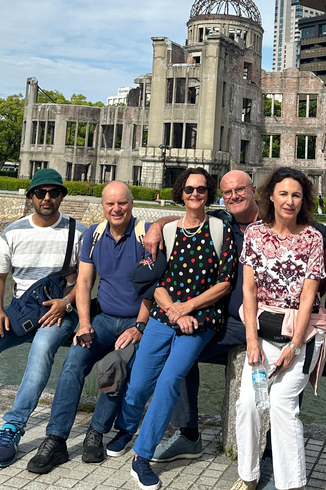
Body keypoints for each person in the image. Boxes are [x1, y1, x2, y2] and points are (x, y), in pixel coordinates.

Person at [0, 169, 87, 468]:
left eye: (54, 192)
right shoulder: (13, 232)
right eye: (40, 193)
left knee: (42, 350)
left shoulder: (79, 231)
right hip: (20, 311)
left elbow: (85, 280)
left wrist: (66, 302)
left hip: (60, 312)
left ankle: (13, 427)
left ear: (62, 196)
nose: (47, 198)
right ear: (31, 196)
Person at [107, 167, 235, 490]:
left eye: (202, 190)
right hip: (165, 316)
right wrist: (174, 311)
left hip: (201, 320)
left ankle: (142, 456)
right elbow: (156, 282)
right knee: (138, 385)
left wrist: (188, 309)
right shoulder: (167, 232)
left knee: (169, 381)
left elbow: (224, 284)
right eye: (189, 190)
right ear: (181, 193)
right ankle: (126, 426)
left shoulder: (220, 230)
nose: (195, 195)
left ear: (209, 194)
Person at [25, 181, 152, 474]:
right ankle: (55, 438)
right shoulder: (94, 236)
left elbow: (155, 285)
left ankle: (96, 430)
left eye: (122, 203)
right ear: (103, 207)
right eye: (110, 204)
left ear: (131, 204)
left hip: (135, 321)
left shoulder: (146, 234)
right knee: (72, 364)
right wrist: (84, 323)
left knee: (114, 366)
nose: (116, 209)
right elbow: (83, 282)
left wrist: (139, 326)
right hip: (103, 319)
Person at [142, 170, 258, 463]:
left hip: (259, 318)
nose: (234, 196)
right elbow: (189, 216)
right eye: (227, 192)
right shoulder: (224, 220)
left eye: (240, 190)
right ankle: (189, 434)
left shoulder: (271, 223)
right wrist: (157, 223)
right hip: (222, 315)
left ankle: (264, 450)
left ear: (253, 189)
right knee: (180, 349)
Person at [231, 168, 326, 490]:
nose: (290, 201)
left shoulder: (313, 238)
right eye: (284, 194)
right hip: (261, 335)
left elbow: (308, 297)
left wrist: (295, 345)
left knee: (282, 407)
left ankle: (293, 484)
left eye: (296, 195)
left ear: (304, 200)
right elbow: (248, 290)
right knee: (247, 404)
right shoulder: (256, 234)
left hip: (303, 336)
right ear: (270, 196)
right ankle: (248, 476)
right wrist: (251, 340)